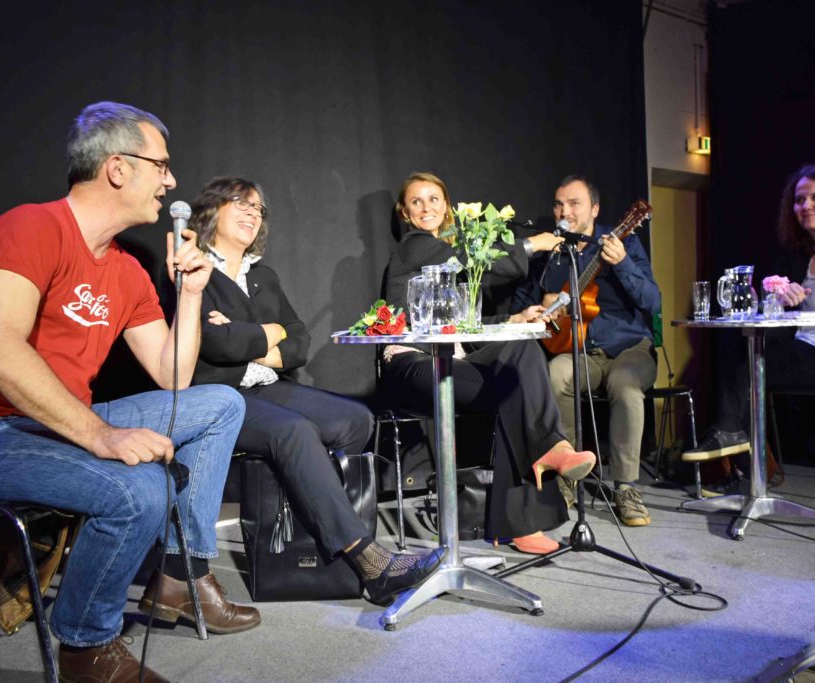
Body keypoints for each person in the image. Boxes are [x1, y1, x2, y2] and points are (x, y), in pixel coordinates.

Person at [0, 102, 256, 683]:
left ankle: (182, 575)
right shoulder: (31, 227)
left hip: (61, 419)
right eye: (161, 166)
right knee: (139, 490)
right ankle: (85, 646)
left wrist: (189, 296)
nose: (171, 181)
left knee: (221, 403)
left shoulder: (127, 270)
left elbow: (173, 377)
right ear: (117, 168)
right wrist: (101, 435)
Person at [188, 176, 446, 604]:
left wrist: (255, 341)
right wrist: (266, 335)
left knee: (356, 420)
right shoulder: (193, 267)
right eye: (242, 204)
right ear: (212, 210)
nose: (254, 214)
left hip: (267, 387)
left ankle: (320, 528)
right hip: (221, 396)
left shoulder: (263, 277)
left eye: (259, 210)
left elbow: (299, 343)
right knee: (294, 433)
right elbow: (215, 343)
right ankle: (368, 559)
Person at [380, 172, 596, 555]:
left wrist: (513, 321)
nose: (426, 207)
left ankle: (547, 461)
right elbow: (481, 258)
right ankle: (527, 509)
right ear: (405, 213)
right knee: (511, 390)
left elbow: (464, 327)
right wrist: (533, 244)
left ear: (446, 206)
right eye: (417, 202)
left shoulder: (449, 254)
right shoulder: (413, 248)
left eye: (434, 199)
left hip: (453, 358)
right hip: (411, 362)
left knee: (520, 355)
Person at [684, 163, 815, 465]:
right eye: (799, 200)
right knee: (743, 348)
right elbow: (773, 296)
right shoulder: (798, 249)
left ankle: (736, 458)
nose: (806, 205)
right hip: (807, 348)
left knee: (749, 373)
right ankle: (734, 444)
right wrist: (778, 295)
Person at [516, 176, 660, 527]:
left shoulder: (624, 240)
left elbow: (653, 302)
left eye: (574, 203)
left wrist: (623, 263)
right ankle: (568, 477)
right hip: (580, 351)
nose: (564, 211)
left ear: (594, 208)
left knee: (625, 386)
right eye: (558, 204)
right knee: (557, 373)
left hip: (628, 348)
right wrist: (541, 309)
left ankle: (625, 487)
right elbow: (524, 304)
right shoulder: (552, 253)